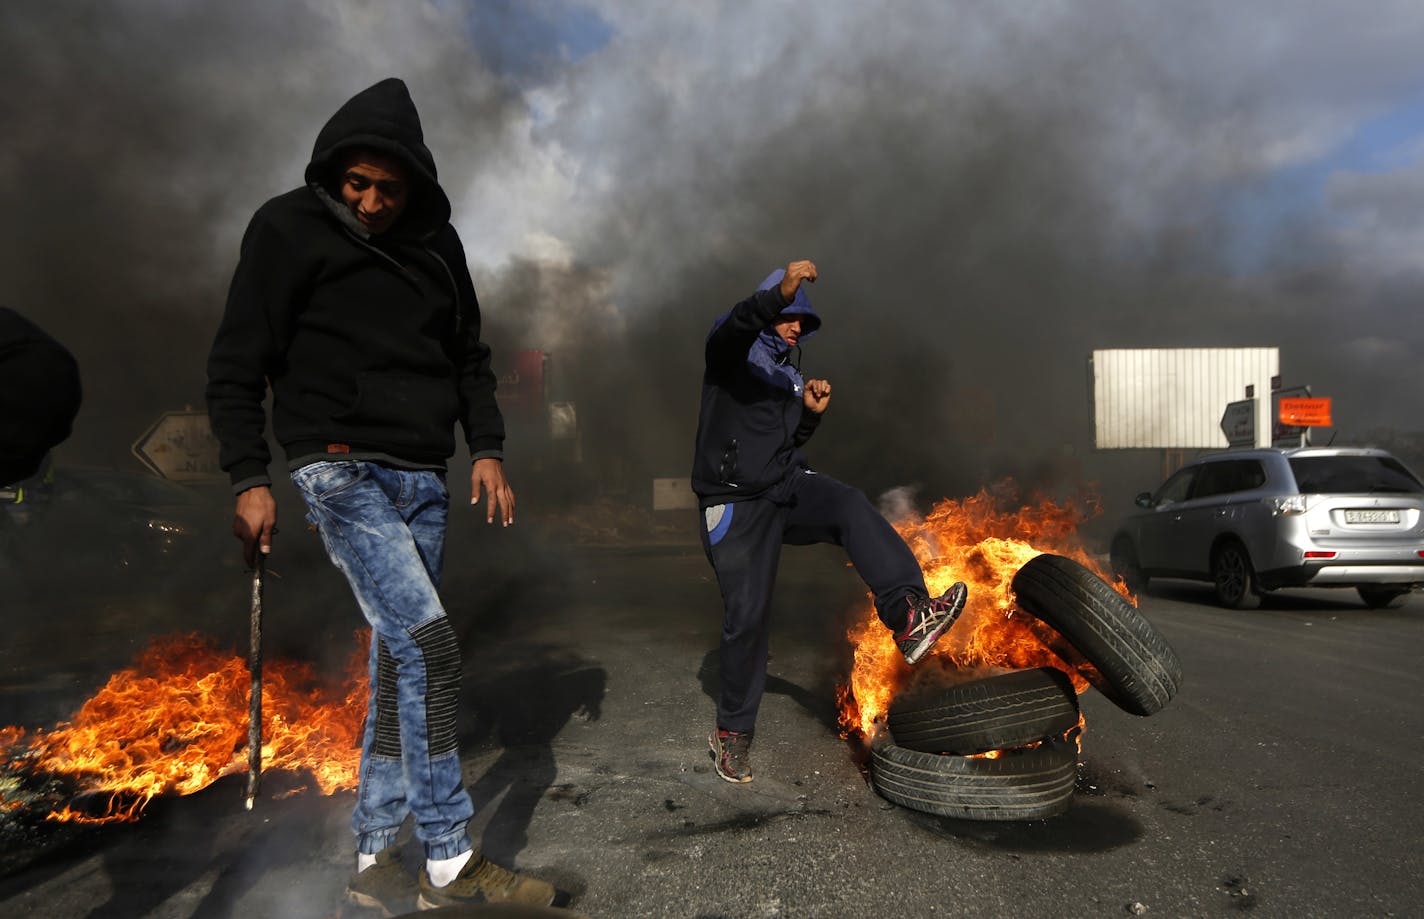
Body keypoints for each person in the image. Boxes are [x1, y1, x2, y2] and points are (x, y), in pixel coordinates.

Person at [205, 78, 556, 912]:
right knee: (432, 646)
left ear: (414, 186)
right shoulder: (285, 227)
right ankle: (446, 859)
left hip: (423, 474)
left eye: (387, 189)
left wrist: (490, 450)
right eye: (356, 184)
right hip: (336, 465)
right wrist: (249, 477)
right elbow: (237, 358)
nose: (368, 202)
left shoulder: (437, 244)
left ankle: (370, 855)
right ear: (334, 173)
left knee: (402, 659)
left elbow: (470, 355)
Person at [692, 260, 969, 784]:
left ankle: (908, 614)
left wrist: (810, 416)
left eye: (804, 322)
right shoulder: (731, 352)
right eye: (790, 315)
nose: (797, 326)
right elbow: (735, 327)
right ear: (772, 306)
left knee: (847, 502)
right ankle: (731, 734)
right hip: (733, 504)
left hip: (784, 487)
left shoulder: (789, 375)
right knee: (748, 618)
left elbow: (780, 447)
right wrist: (780, 292)